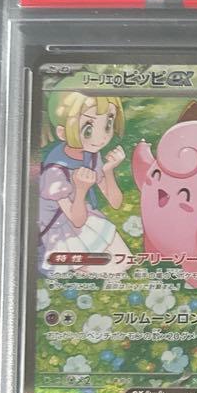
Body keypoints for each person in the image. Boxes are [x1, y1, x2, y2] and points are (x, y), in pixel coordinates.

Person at [39, 92, 131, 273]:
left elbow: (115, 203)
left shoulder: (92, 155)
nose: (101, 137)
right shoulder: (55, 172)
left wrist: (108, 171)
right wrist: (81, 190)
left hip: (84, 215)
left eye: (108, 124)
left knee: (126, 261)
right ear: (62, 133)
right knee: (114, 269)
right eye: (88, 129)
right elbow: (76, 221)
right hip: (60, 228)